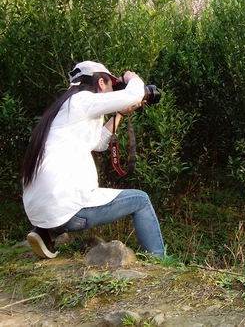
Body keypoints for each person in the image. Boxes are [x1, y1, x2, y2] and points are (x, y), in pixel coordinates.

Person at [22, 61, 165, 259]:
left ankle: (45, 232)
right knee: (141, 200)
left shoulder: (67, 108)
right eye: (110, 85)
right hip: (67, 206)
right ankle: (159, 260)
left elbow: (98, 143)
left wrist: (121, 113)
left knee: (63, 204)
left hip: (40, 207)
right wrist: (130, 78)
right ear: (100, 82)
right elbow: (134, 94)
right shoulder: (83, 100)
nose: (112, 90)